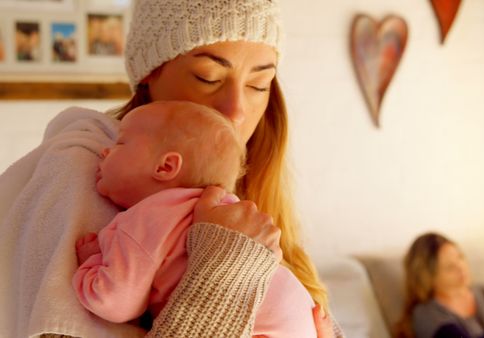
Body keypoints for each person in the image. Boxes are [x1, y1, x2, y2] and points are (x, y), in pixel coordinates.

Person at [0, 0, 342, 337]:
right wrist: (224, 271)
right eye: (208, 77)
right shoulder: (87, 175)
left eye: (259, 85)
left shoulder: (246, 194)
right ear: (150, 73)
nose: (236, 110)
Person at [71, 100, 317, 338]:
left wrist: (93, 262)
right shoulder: (224, 208)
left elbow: (113, 301)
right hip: (298, 318)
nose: (105, 150)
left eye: (121, 143)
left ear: (165, 166)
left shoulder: (147, 218)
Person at [395, 232, 484, 338]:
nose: (461, 268)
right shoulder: (426, 315)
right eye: (450, 267)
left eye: (460, 257)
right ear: (429, 278)